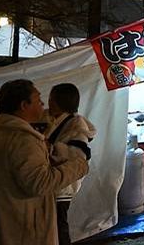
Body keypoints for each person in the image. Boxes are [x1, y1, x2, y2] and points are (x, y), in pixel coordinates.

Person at [0, 79, 89, 245]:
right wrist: (79, 165)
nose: (44, 104)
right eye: (39, 100)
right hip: (23, 229)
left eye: (49, 99)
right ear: (24, 105)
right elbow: (40, 182)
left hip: (5, 224)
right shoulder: (22, 140)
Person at [44, 83, 96, 245]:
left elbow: (77, 155)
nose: (48, 102)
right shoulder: (51, 119)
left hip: (62, 186)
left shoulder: (76, 125)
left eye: (51, 99)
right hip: (53, 184)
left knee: (59, 228)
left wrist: (49, 148)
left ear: (61, 101)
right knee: (53, 228)